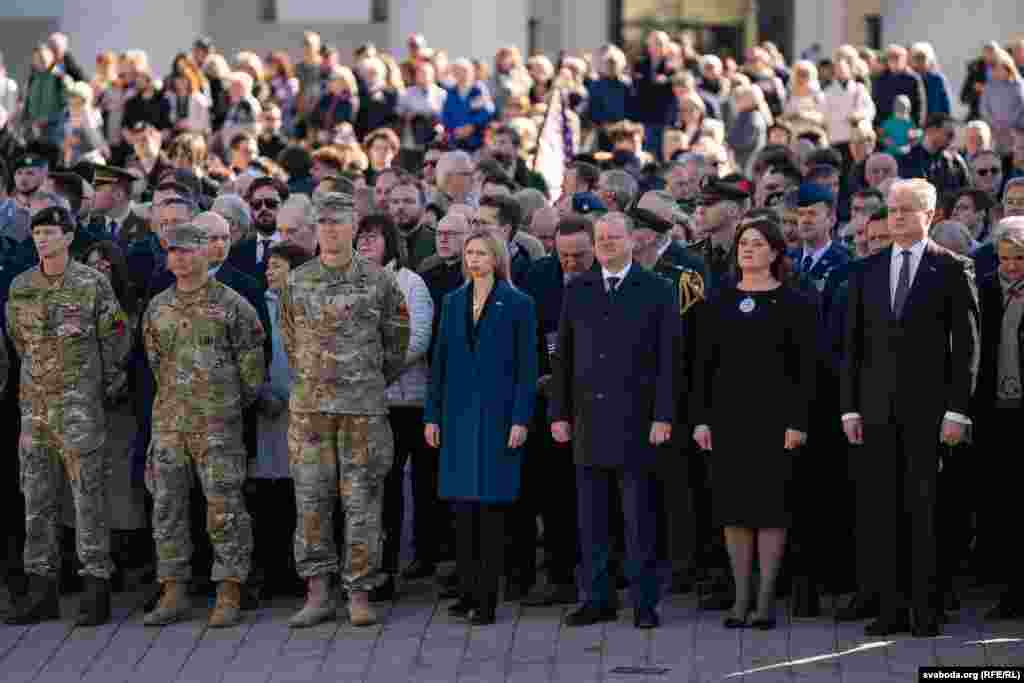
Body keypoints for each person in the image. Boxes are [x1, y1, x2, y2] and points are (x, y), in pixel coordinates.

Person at [840, 179, 979, 637]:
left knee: (926, 509)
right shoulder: (867, 269)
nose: (896, 217)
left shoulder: (952, 268)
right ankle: (890, 608)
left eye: (906, 210)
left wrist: (958, 411)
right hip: (876, 410)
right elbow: (853, 346)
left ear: (930, 216)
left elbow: (967, 347)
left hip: (930, 412)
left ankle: (926, 609)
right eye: (892, 209)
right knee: (883, 510)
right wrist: (850, 408)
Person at [279, 194, 410, 628]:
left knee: (363, 503)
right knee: (312, 502)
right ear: (316, 228)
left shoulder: (379, 280)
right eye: (324, 223)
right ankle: (318, 594)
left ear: (354, 227)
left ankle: (359, 592)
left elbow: (397, 344)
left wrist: (364, 381)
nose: (331, 230)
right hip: (311, 413)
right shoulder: (297, 281)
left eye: (339, 222)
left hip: (362, 413)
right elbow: (291, 341)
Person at [550, 212, 679, 630]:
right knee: (592, 519)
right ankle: (598, 598)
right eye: (600, 237)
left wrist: (663, 415)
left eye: (614, 236)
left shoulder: (656, 289)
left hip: (637, 421)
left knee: (638, 518)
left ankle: (645, 602)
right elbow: (564, 357)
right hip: (588, 419)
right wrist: (559, 413)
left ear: (632, 240)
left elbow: (669, 360)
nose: (606, 242)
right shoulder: (579, 288)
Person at [5, 206, 130, 626]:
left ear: (69, 237)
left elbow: (115, 335)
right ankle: (41, 586)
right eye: (37, 232)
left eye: (50, 231)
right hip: (35, 411)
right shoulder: (21, 286)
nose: (42, 239)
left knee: (87, 498)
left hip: (80, 408)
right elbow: (18, 341)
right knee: (36, 499)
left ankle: (96, 583)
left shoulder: (91, 284)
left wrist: (106, 383)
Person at [692, 215, 817, 629]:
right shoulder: (720, 298)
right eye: (744, 243)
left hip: (776, 421)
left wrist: (797, 420)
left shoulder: (794, 300)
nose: (748, 249)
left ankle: (765, 602)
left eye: (758, 243)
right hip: (728, 420)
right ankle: (740, 598)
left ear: (776, 252)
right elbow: (703, 366)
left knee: (770, 511)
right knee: (735, 511)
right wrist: (702, 419)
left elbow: (805, 369)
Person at [140, 223, 265, 628]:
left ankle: (229, 591)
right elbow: (156, 361)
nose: (179, 258)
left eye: (188, 250)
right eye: (173, 251)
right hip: (171, 424)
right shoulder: (158, 307)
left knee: (225, 510)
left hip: (218, 426)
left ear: (207, 254)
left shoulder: (232, 304)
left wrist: (225, 404)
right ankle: (173, 590)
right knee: (167, 509)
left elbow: (251, 369)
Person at [423, 227, 536, 624]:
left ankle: (486, 599)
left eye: (482, 253)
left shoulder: (518, 303)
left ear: (497, 258)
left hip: (497, 418)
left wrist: (521, 419)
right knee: (463, 512)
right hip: (457, 418)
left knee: (490, 513)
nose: (474, 260)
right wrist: (432, 415)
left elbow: (527, 367)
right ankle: (467, 591)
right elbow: (439, 363)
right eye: (469, 253)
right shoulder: (453, 301)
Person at [353, 214, 435, 596]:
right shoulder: (348, 281)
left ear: (389, 241)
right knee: (378, 489)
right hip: (369, 403)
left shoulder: (410, 282)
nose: (367, 243)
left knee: (414, 485)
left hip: (408, 401)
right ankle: (379, 568)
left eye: (374, 237)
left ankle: (419, 556)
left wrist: (379, 369)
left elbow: (417, 337)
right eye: (362, 237)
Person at [249, 241, 313, 602]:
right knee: (268, 493)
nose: (269, 272)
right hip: (266, 411)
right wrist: (260, 393)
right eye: (268, 266)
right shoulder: (259, 305)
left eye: (277, 266)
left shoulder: (307, 304)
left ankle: (299, 569)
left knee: (298, 493)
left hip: (302, 410)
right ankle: (272, 571)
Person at [973, 219, 1024, 619]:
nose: (1011, 267)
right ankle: (1010, 592)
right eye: (1005, 259)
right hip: (995, 414)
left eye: (1019, 259)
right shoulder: (986, 289)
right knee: (1004, 505)